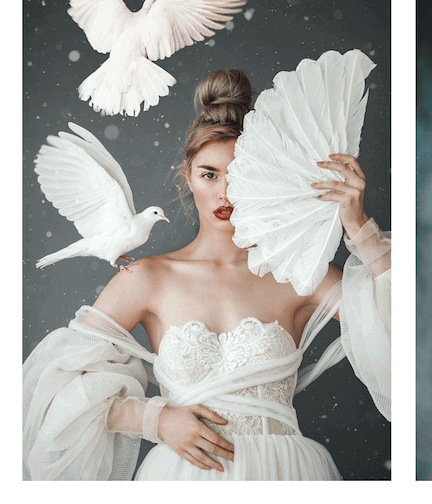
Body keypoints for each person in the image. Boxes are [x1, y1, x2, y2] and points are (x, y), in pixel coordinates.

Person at [22, 67, 391, 480]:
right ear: (189, 177)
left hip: (284, 476)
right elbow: (53, 391)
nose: (224, 194)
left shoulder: (299, 273)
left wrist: (359, 227)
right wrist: (155, 420)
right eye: (209, 174)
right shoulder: (148, 277)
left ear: (263, 178)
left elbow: (400, 340)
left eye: (239, 176)